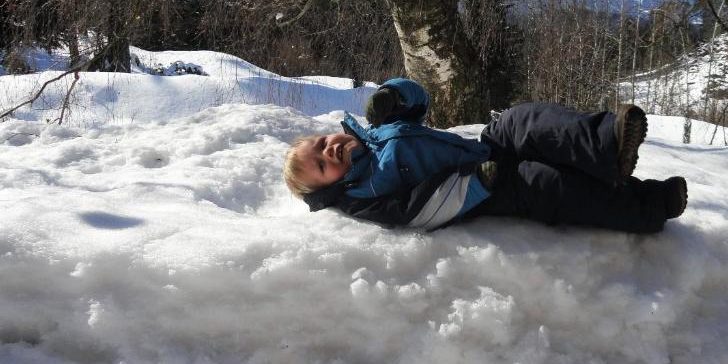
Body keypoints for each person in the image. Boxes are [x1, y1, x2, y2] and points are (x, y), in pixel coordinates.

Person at [284, 78, 687, 233]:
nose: (329, 151)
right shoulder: (365, 193)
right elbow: (417, 210)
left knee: (521, 118)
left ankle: (605, 143)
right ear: (331, 187)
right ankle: (650, 205)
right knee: (549, 184)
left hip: (483, 147)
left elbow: (418, 103)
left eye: (321, 143)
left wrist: (393, 95)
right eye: (322, 165)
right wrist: (477, 184)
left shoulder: (376, 132)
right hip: (486, 187)